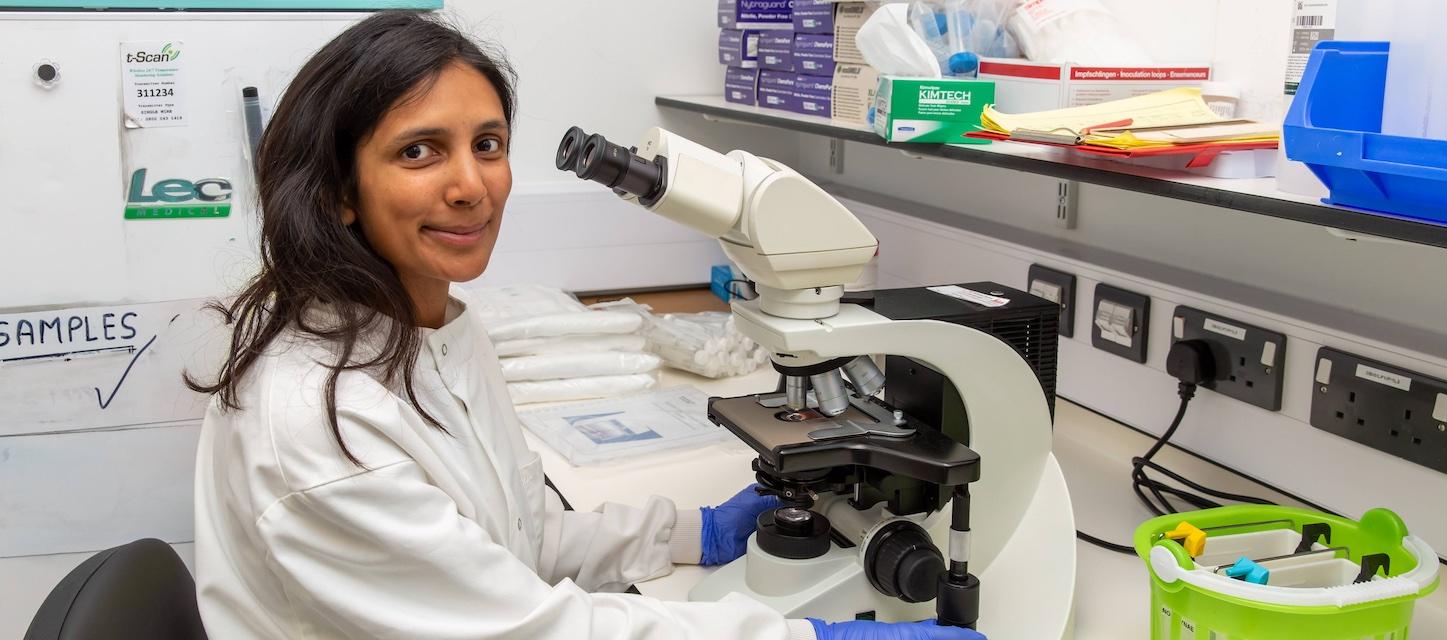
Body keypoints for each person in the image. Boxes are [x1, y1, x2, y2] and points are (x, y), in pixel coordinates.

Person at [188, 10, 986, 640]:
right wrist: (808, 638)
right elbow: (535, 629)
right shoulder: (322, 427)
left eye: (488, 144)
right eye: (420, 152)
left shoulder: (436, 331)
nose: (471, 185)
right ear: (339, 191)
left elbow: (517, 540)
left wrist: (689, 533)